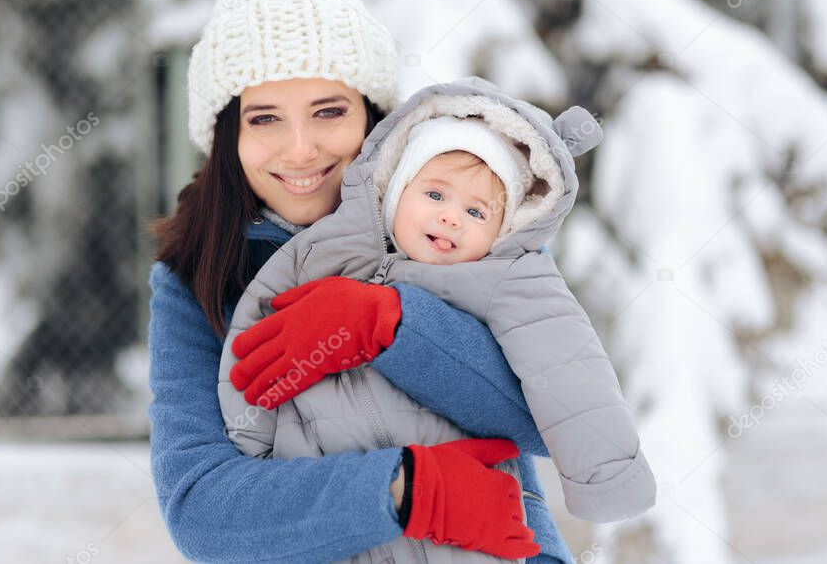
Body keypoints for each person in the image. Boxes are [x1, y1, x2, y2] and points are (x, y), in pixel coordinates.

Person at [147, 0, 572, 563]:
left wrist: (393, 321)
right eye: (265, 118)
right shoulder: (195, 277)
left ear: (373, 114)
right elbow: (200, 505)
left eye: (328, 111)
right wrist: (406, 487)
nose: (300, 149)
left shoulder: (455, 222)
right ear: (228, 138)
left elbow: (549, 413)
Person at [220, 79, 657, 534]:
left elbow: (567, 364)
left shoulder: (507, 276)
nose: (451, 216)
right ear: (394, 190)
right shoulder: (327, 248)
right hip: (342, 502)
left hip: (463, 518)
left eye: (477, 213)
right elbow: (256, 329)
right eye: (434, 195)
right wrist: (251, 435)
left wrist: (608, 478)